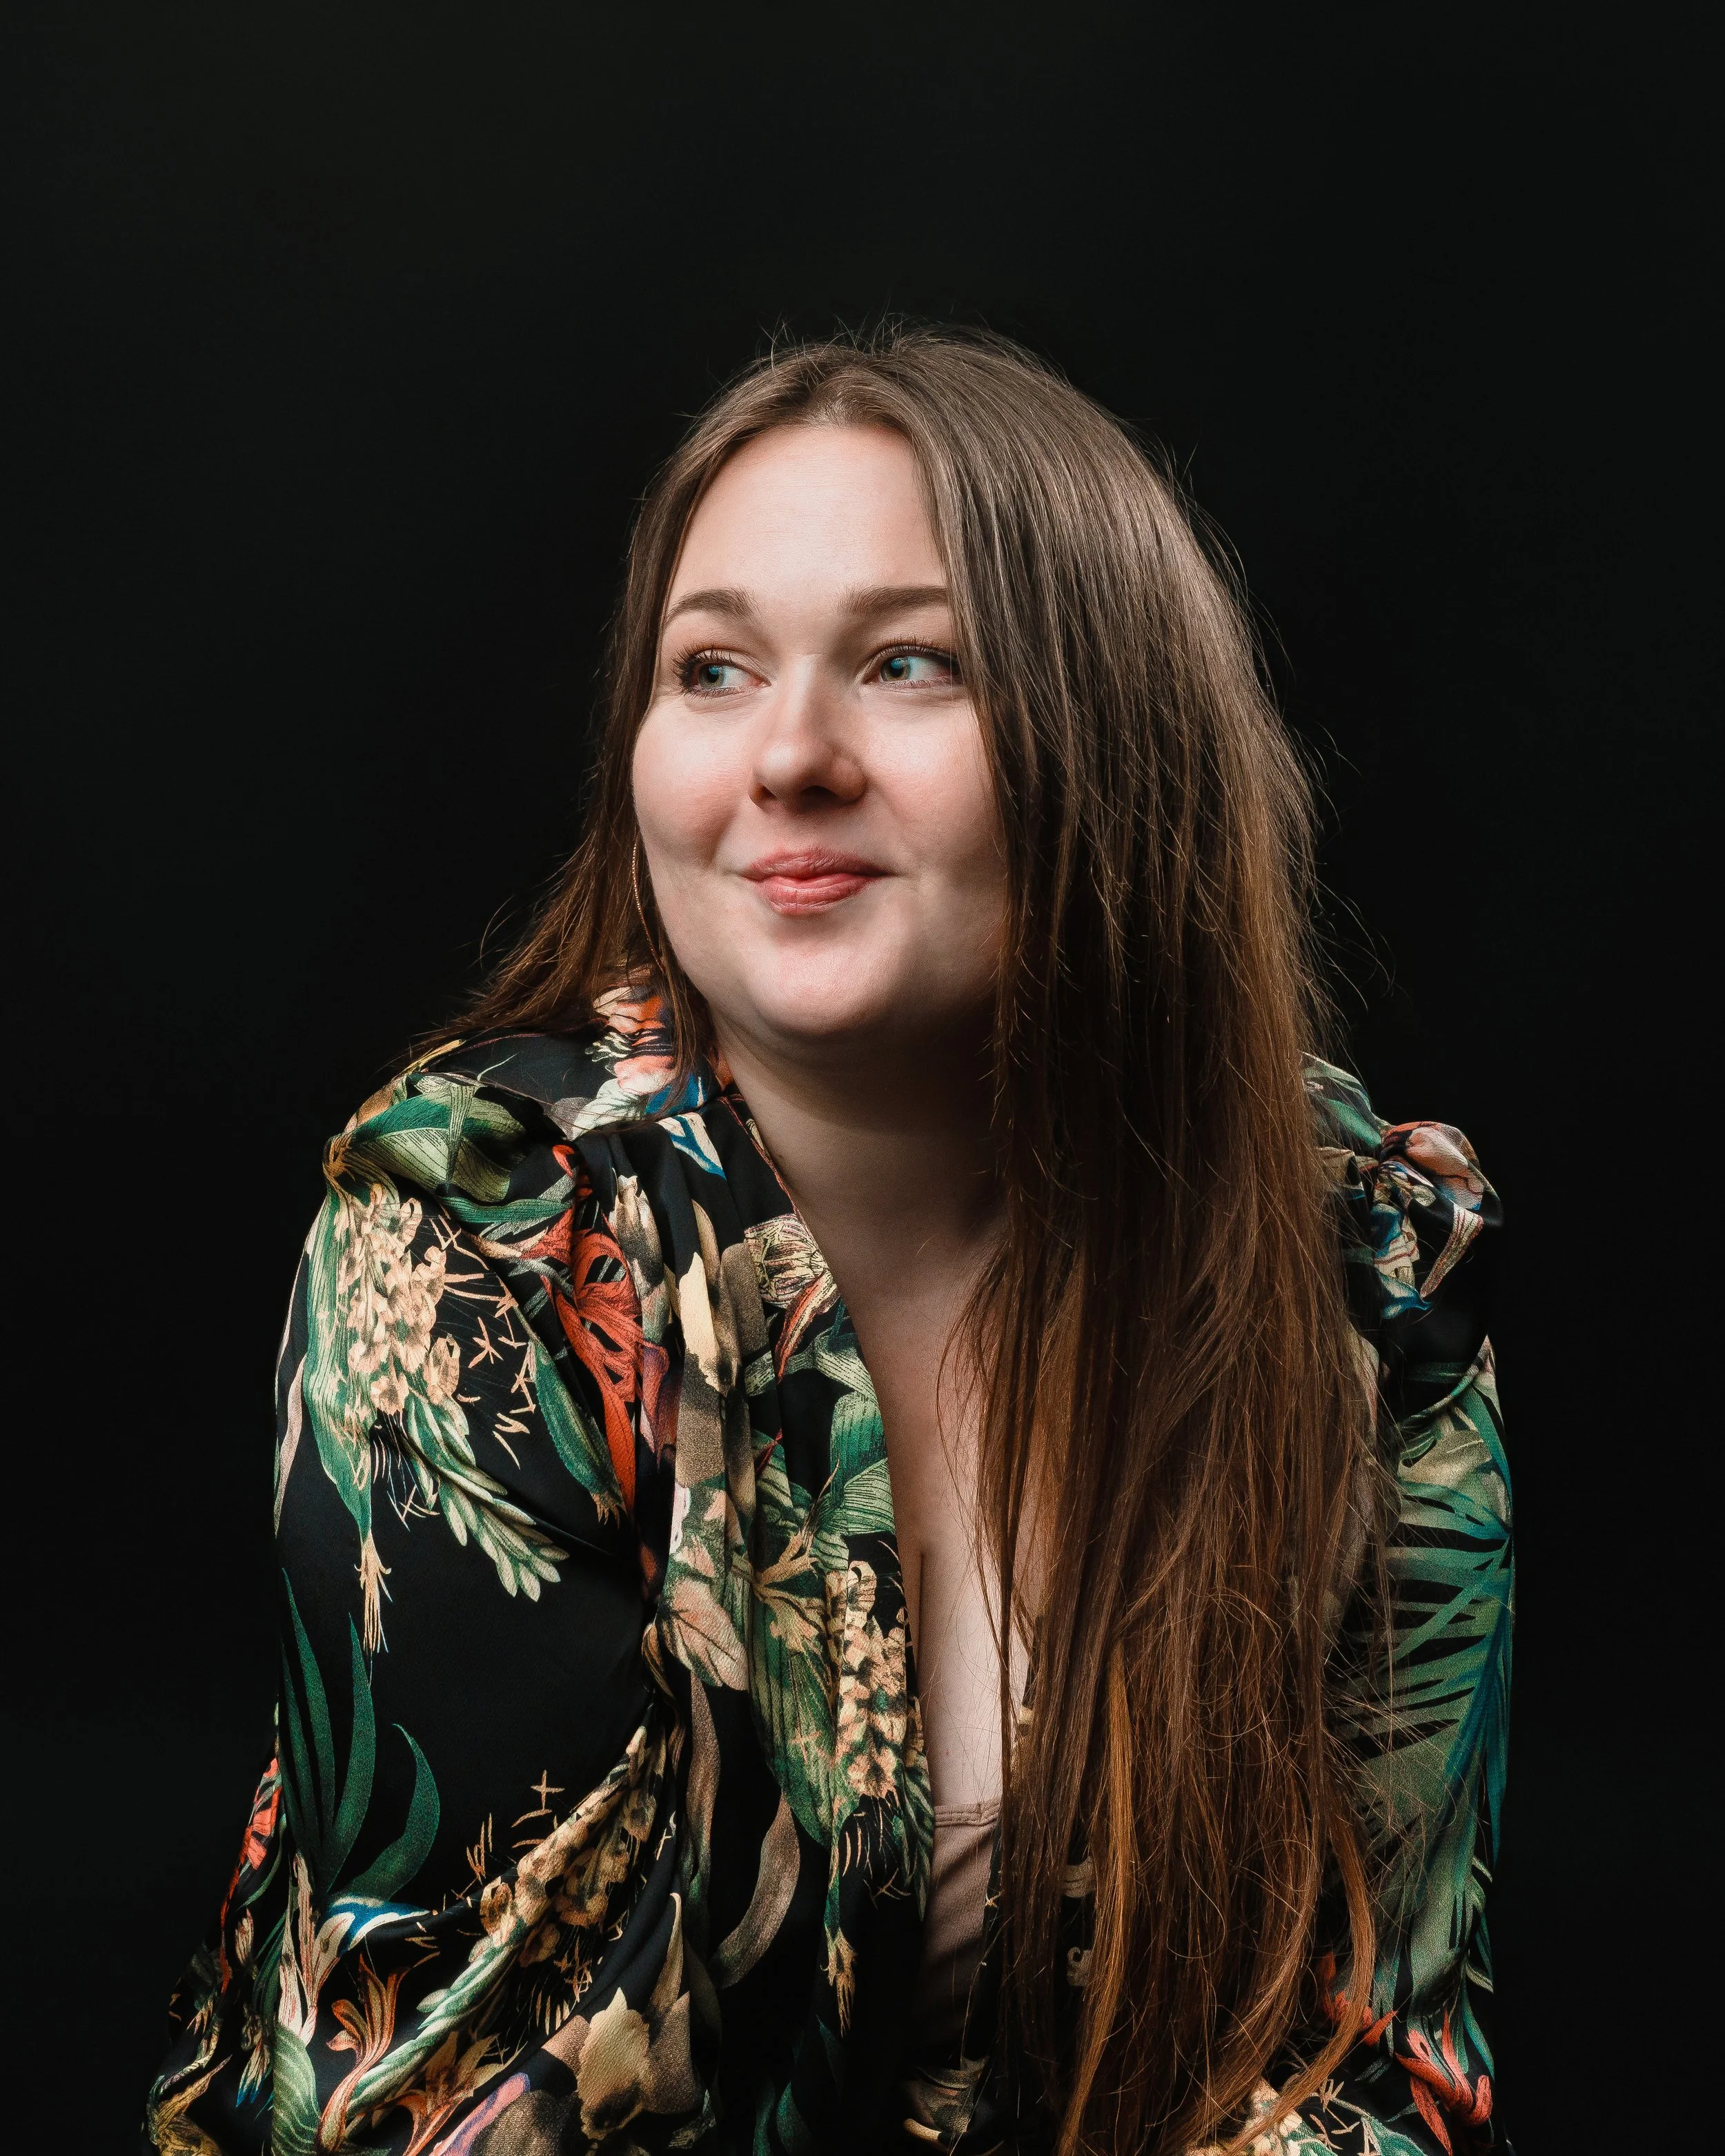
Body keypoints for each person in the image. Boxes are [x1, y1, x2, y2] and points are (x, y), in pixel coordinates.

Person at [146, 330, 1510, 2156]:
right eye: (709, 668)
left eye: (903, 662)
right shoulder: (487, 1237)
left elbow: (1376, 2062)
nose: (788, 755)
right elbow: (495, 2105)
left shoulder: (1362, 1263)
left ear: (1112, 731)